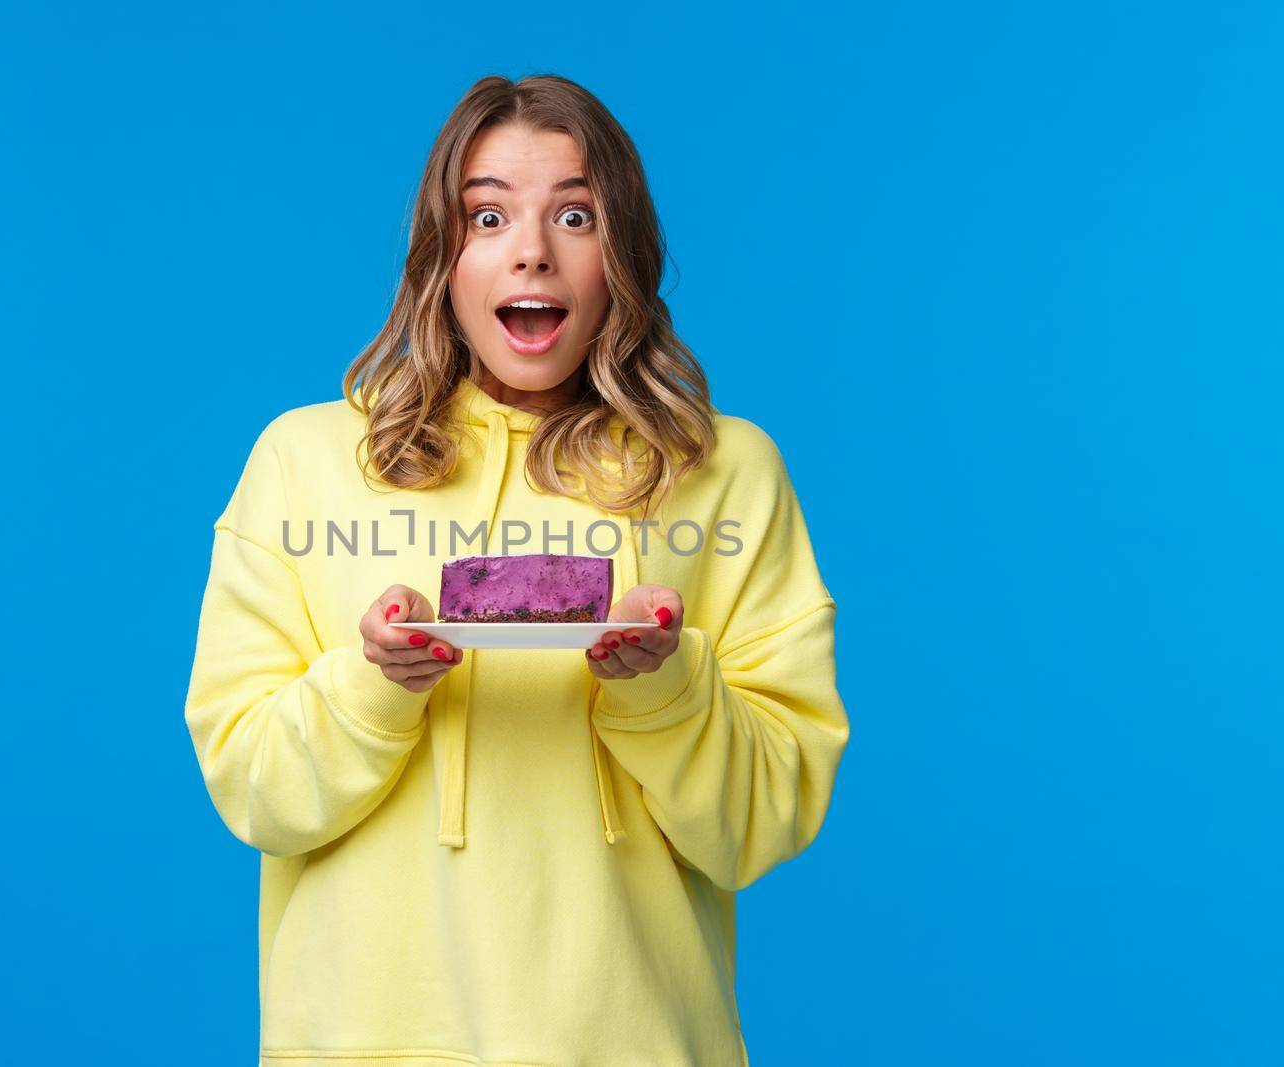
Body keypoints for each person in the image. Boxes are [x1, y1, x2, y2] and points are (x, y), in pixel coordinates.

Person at [184, 72, 850, 1067]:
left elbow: (764, 818)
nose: (531, 247)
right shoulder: (304, 462)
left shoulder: (724, 471)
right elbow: (253, 789)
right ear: (439, 257)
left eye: (574, 214)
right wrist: (374, 682)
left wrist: (664, 684)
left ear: (619, 251)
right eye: (486, 214)